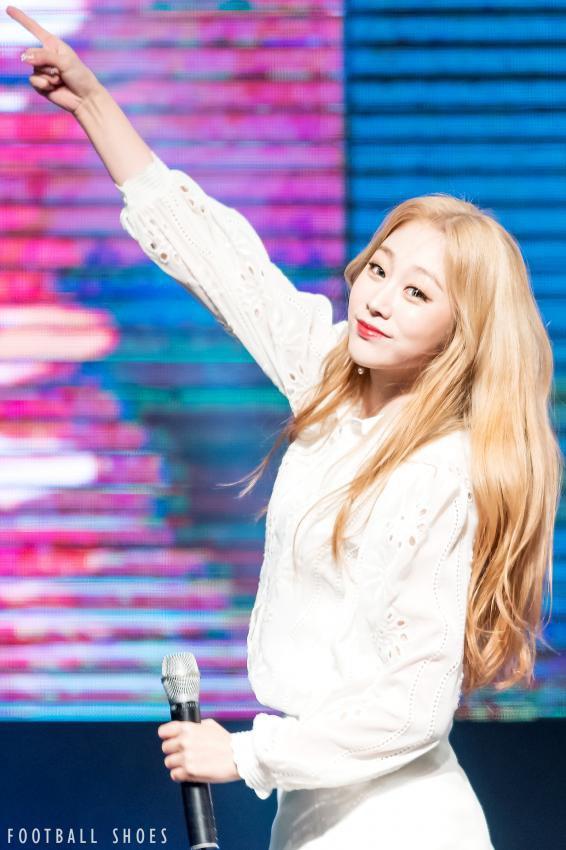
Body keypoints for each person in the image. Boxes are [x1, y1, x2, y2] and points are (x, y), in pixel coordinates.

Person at [8, 6, 563, 848]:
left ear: (461, 333)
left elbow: (414, 708)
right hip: (317, 808)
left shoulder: (441, 472)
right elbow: (222, 262)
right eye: (380, 268)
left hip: (400, 821)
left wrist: (246, 753)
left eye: (417, 292)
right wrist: (90, 101)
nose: (379, 298)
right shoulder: (333, 377)